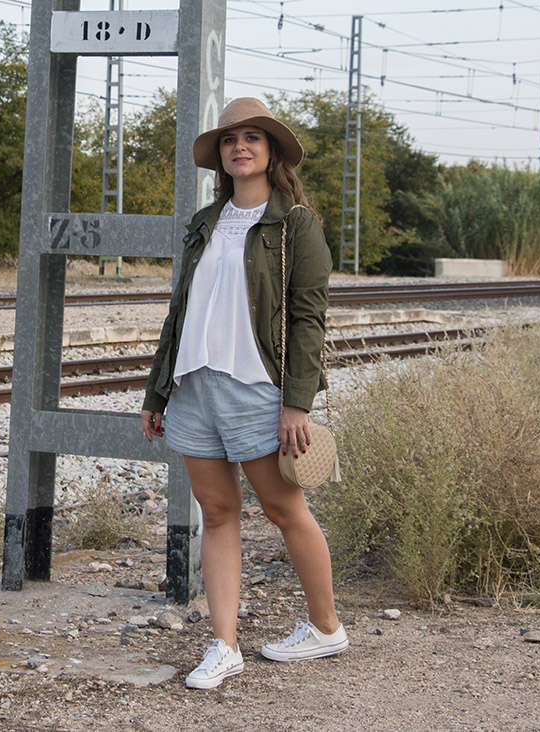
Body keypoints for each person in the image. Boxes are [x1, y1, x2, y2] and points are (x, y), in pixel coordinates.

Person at [140, 97, 347, 690]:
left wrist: (297, 403)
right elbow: (180, 313)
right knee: (219, 513)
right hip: (194, 385)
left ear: (271, 151)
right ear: (221, 156)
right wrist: (157, 392)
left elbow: (310, 318)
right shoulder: (204, 223)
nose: (240, 147)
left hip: (259, 388)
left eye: (253, 138)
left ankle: (326, 627)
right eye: (230, 140)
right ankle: (224, 644)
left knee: (285, 509)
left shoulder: (295, 224)